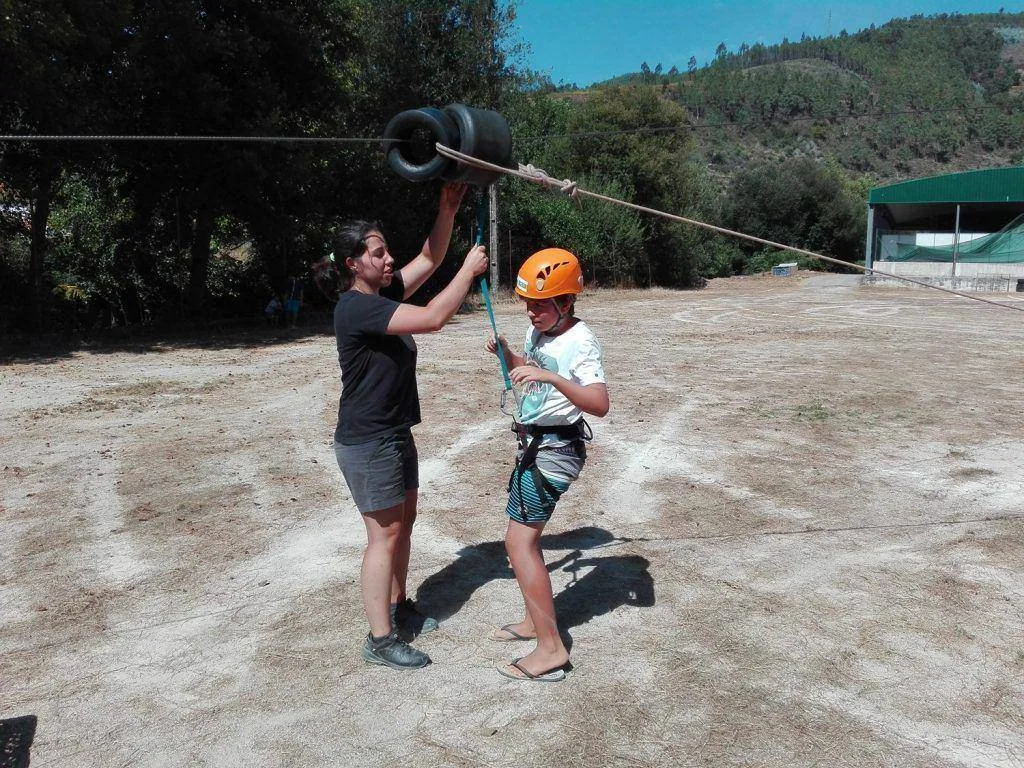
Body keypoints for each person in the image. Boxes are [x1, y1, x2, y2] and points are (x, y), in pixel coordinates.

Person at [326, 182, 488, 671]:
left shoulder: (381, 295)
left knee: (403, 526)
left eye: (386, 250)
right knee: (383, 536)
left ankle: (399, 609)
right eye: (378, 253)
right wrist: (469, 270)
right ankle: (379, 639)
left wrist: (447, 208)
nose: (388, 259)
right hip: (368, 439)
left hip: (394, 432)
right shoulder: (357, 307)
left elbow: (428, 257)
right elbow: (436, 317)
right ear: (354, 263)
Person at [485, 247, 609, 682]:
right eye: (528, 305)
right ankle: (532, 621)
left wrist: (553, 377)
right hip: (535, 444)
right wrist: (508, 357)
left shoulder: (581, 341)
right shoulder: (538, 334)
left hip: (556, 450)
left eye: (540, 305)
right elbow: (530, 370)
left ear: (566, 302)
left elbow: (599, 403)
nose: (531, 313)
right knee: (518, 540)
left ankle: (551, 648)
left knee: (520, 543)